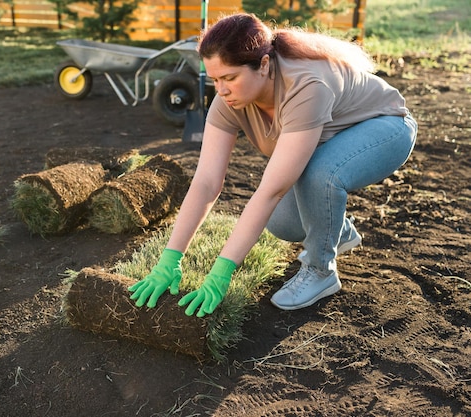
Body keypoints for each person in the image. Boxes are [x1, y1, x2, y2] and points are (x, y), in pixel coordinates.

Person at [128, 12, 417, 316]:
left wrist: (221, 274)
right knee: (281, 222)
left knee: (320, 175)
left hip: (385, 128)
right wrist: (170, 259)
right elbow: (206, 182)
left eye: (229, 78)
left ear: (264, 65)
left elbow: (271, 190)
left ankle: (320, 270)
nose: (221, 89)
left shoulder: (305, 86)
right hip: (330, 141)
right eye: (215, 79)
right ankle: (338, 230)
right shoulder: (228, 101)